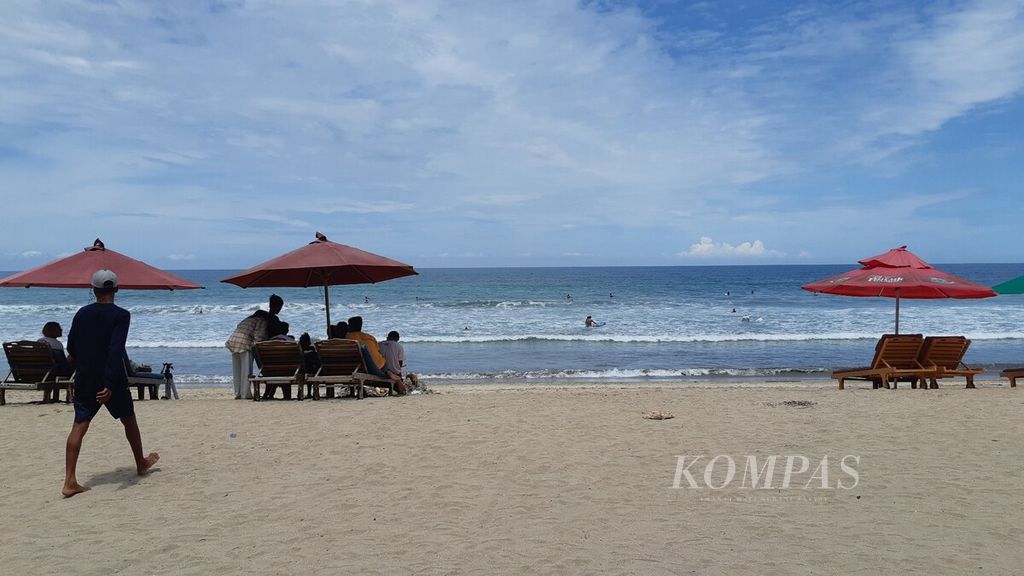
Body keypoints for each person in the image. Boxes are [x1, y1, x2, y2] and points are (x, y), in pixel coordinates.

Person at [62, 270, 159, 497]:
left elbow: (72, 347)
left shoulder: (81, 314)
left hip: (85, 377)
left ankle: (69, 481)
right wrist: (108, 384)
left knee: (79, 424)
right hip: (111, 378)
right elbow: (115, 351)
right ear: (116, 289)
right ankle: (141, 463)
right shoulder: (121, 315)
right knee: (128, 419)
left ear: (93, 290)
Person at [225, 294, 283, 400]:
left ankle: (238, 393)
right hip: (245, 343)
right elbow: (258, 338)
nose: (280, 309)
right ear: (277, 306)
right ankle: (245, 394)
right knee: (246, 370)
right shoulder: (263, 320)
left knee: (237, 369)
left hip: (234, 340)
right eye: (280, 307)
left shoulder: (252, 317)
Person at [334, 321, 402, 390]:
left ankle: (389, 373)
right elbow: (378, 351)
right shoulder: (365, 339)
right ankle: (389, 373)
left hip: (335, 370)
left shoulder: (333, 345)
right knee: (380, 366)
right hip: (359, 370)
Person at [38, 321, 73, 402]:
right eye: (59, 328)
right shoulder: (57, 344)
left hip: (41, 372)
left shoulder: (39, 341)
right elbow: (62, 362)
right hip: (53, 373)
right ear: (53, 331)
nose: (61, 329)